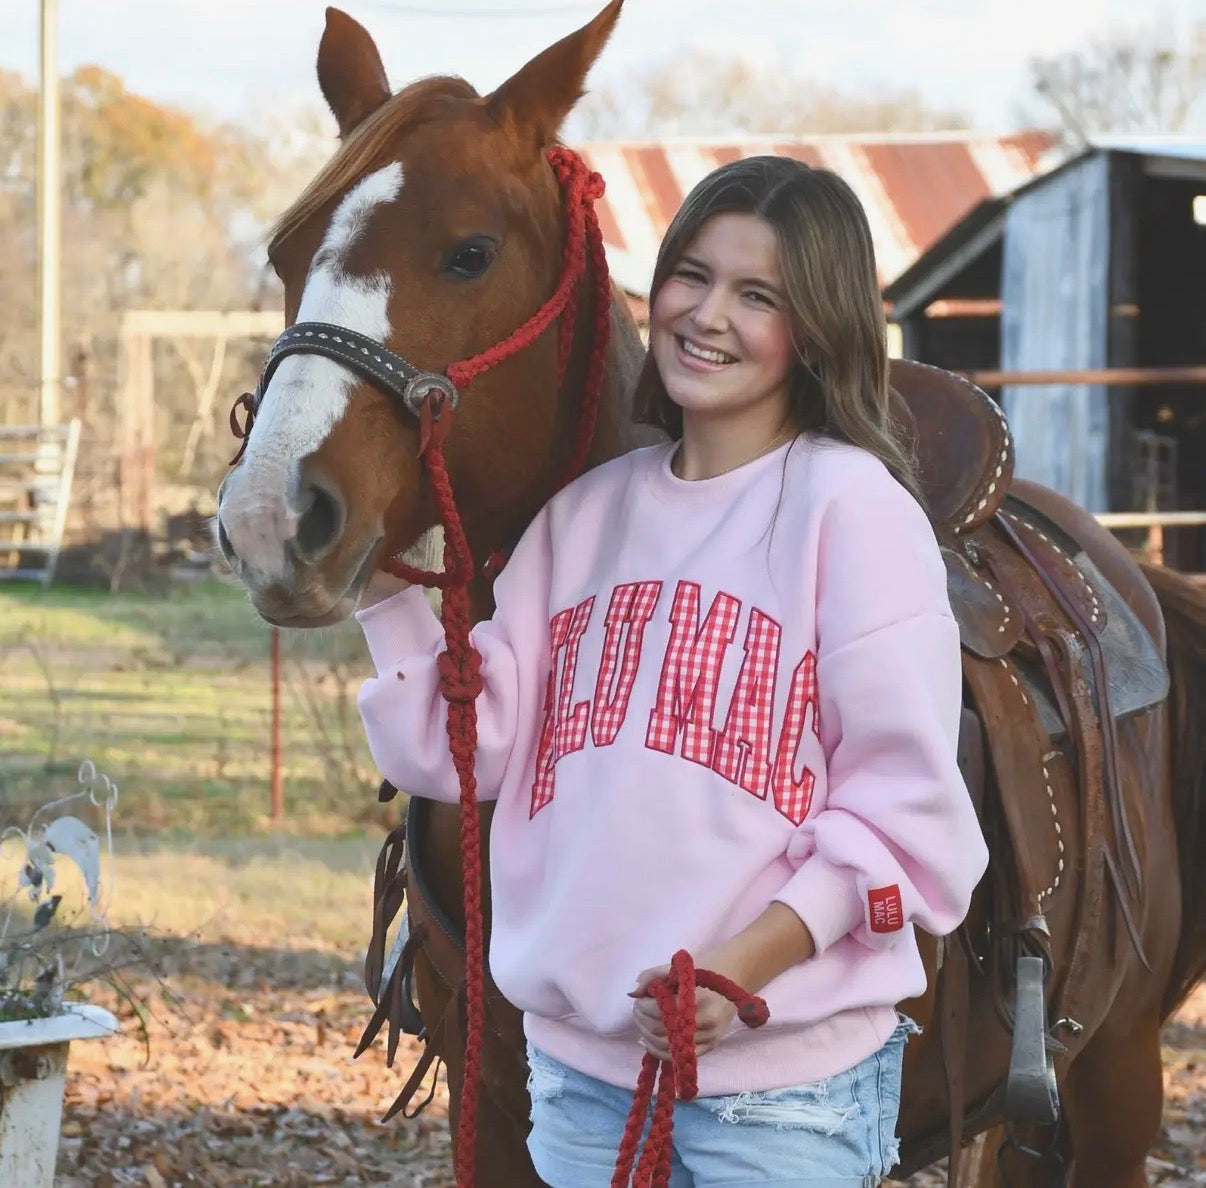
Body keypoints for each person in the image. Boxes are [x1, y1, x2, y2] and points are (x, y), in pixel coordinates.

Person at [356, 155, 989, 1187]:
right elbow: (472, 751)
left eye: (758, 295)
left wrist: (745, 968)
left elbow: (903, 813)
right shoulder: (585, 518)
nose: (707, 314)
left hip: (782, 1094)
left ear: (815, 327)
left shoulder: (851, 511)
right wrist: (379, 591)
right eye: (693, 275)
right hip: (578, 1081)